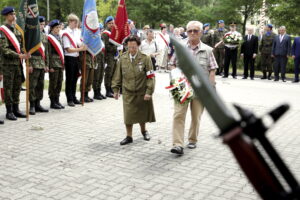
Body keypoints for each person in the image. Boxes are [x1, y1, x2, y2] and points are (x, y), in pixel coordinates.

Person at [169, 21, 217, 155]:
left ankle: (192, 139)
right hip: (182, 87)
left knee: (196, 117)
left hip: (200, 89)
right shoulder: (180, 48)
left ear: (201, 32)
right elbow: (172, 64)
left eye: (195, 31)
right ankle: (177, 144)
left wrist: (211, 86)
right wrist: (177, 78)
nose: (192, 33)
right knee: (178, 114)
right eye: (190, 30)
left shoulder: (207, 50)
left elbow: (212, 69)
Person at [112, 35, 156, 145]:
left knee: (142, 113)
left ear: (138, 46)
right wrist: (116, 90)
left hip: (142, 91)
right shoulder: (122, 58)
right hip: (128, 91)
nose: (132, 50)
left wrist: (149, 91)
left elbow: (151, 77)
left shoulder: (146, 58)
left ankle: (144, 131)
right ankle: (129, 136)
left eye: (134, 47)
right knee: (128, 115)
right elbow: (118, 75)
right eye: (129, 47)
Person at [0, 6, 30, 121]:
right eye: (12, 14)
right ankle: (9, 111)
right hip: (8, 64)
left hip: (17, 63)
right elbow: (4, 49)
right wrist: (19, 55)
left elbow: (20, 46)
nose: (14, 16)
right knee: (8, 88)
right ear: (7, 16)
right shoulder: (2, 30)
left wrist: (25, 53)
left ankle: (16, 109)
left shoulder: (17, 30)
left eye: (14, 14)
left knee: (17, 86)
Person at [62, 14, 86, 107]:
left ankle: (74, 96)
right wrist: (80, 49)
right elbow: (68, 49)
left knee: (75, 78)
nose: (77, 24)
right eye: (75, 22)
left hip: (76, 58)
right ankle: (69, 98)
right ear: (70, 22)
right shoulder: (65, 33)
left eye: (77, 22)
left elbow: (79, 43)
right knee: (70, 79)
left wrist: (84, 45)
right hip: (69, 58)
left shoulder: (77, 32)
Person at [28, 16, 49, 115]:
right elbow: (28, 51)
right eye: (40, 24)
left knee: (40, 85)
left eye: (43, 25)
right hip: (34, 62)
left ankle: (38, 103)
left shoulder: (45, 36)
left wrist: (46, 64)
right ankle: (31, 105)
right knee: (32, 85)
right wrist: (29, 64)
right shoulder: (31, 35)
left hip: (42, 63)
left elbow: (46, 51)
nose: (42, 26)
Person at [47, 20, 65, 109]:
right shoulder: (50, 38)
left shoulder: (59, 37)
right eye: (56, 28)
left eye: (59, 27)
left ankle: (57, 100)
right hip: (53, 64)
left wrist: (63, 64)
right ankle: (52, 102)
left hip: (60, 64)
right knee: (53, 83)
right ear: (52, 28)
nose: (58, 29)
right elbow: (48, 53)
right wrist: (50, 66)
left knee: (59, 83)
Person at [102, 16, 118, 98]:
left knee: (113, 73)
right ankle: (107, 89)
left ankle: (111, 88)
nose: (111, 24)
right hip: (108, 56)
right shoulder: (105, 34)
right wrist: (116, 47)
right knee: (108, 73)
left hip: (114, 56)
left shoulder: (114, 32)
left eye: (112, 23)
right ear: (106, 24)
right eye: (110, 23)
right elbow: (106, 46)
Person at [93, 23, 106, 100]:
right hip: (97, 60)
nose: (100, 32)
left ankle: (99, 91)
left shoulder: (102, 39)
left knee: (101, 76)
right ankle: (96, 92)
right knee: (96, 76)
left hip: (102, 60)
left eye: (101, 30)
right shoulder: (94, 40)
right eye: (99, 31)